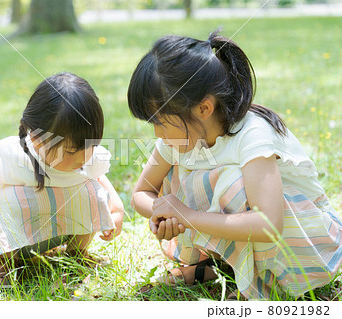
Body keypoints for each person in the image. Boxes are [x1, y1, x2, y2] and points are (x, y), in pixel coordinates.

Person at [128, 29, 342, 300]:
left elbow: (269, 224)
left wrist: (186, 215)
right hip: (258, 234)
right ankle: (219, 267)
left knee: (231, 183)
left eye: (159, 121)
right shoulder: (179, 136)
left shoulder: (253, 134)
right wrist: (162, 213)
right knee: (182, 175)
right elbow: (140, 194)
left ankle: (261, 282)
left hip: (305, 242)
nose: (156, 134)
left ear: (203, 109)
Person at [0, 72, 124, 285]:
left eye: (91, 146)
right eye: (70, 151)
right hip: (13, 235)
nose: (84, 157)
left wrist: (117, 210)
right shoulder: (14, 154)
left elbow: (100, 180)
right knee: (6, 198)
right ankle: (3, 262)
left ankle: (77, 253)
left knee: (91, 192)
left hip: (58, 229)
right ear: (37, 139)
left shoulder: (87, 156)